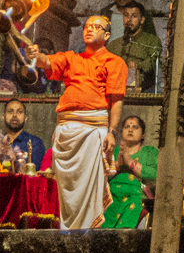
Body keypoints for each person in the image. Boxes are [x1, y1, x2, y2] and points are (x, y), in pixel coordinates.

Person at [23, 13, 127, 230]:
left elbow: (116, 100)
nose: (89, 29)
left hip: (93, 130)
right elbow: (45, 61)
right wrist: (34, 54)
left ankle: (86, 235)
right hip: (66, 131)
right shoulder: (72, 58)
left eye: (96, 27)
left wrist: (112, 131)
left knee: (88, 189)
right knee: (65, 189)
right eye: (87, 26)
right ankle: (65, 233)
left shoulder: (115, 62)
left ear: (107, 35)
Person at [101, 115, 159, 229]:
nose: (130, 129)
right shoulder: (113, 150)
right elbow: (100, 177)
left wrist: (131, 163)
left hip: (137, 196)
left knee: (134, 203)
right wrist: (117, 165)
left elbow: (156, 175)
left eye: (135, 127)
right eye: (127, 126)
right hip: (111, 196)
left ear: (143, 135)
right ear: (122, 132)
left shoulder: (150, 152)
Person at [106, 1, 161, 94]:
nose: (129, 20)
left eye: (134, 16)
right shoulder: (114, 45)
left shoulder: (152, 41)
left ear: (142, 20)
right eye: (126, 15)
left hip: (144, 92)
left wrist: (137, 65)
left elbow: (151, 65)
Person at [0, 97, 46, 169]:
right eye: (10, 111)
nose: (14, 115)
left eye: (19, 112)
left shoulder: (34, 143)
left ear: (25, 118)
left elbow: (35, 172)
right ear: (3, 116)